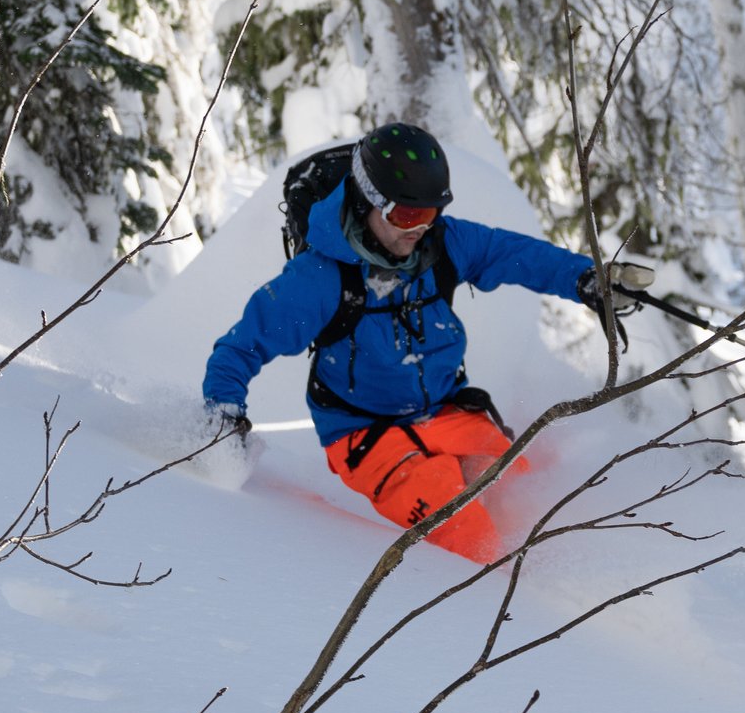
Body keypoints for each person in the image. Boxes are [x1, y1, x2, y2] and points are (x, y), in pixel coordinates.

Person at [202, 122, 648, 564]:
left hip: (445, 411)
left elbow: (514, 255)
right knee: (469, 533)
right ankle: (506, 617)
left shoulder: (442, 245)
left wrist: (588, 279)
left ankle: (573, 597)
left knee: (528, 496)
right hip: (365, 435)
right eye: (407, 216)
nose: (419, 228)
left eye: (431, 213)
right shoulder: (318, 279)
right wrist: (223, 415)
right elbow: (242, 346)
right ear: (368, 203)